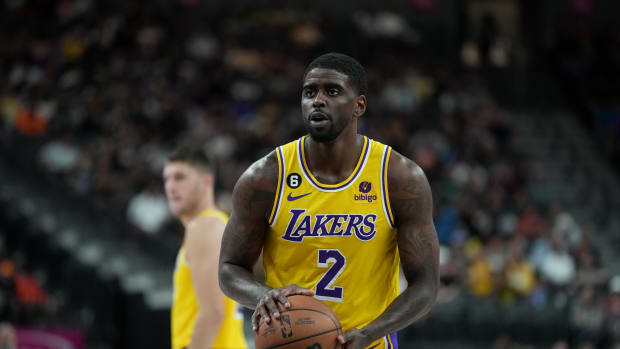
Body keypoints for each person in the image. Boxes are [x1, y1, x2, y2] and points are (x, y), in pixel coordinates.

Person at [219, 53, 439, 349]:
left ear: (359, 105)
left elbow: (426, 285)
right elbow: (229, 267)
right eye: (310, 92)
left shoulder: (399, 178)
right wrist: (261, 294)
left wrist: (371, 332)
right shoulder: (265, 178)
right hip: (291, 340)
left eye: (332, 91)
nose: (318, 100)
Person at [163, 146, 247, 349]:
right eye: (167, 179)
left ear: (206, 181)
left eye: (180, 177)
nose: (171, 187)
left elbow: (213, 313)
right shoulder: (216, 225)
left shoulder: (204, 226)